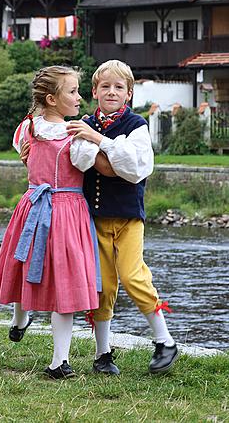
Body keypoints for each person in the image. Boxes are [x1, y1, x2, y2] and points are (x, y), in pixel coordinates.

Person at [0, 65, 107, 380]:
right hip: (65, 209)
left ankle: (34, 336)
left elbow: (21, 150)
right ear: (52, 99)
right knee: (58, 282)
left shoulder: (26, 127)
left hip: (33, 205)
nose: (79, 98)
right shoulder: (75, 136)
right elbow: (88, 163)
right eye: (72, 91)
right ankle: (55, 358)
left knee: (25, 266)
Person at [65, 60, 178, 375]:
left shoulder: (137, 124)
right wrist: (111, 153)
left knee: (132, 276)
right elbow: (81, 159)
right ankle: (103, 355)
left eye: (118, 87)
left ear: (129, 93)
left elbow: (133, 169)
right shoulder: (84, 122)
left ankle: (164, 340)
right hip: (95, 218)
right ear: (94, 91)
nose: (111, 92)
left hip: (129, 218)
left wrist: (99, 141)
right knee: (102, 285)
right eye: (105, 86)